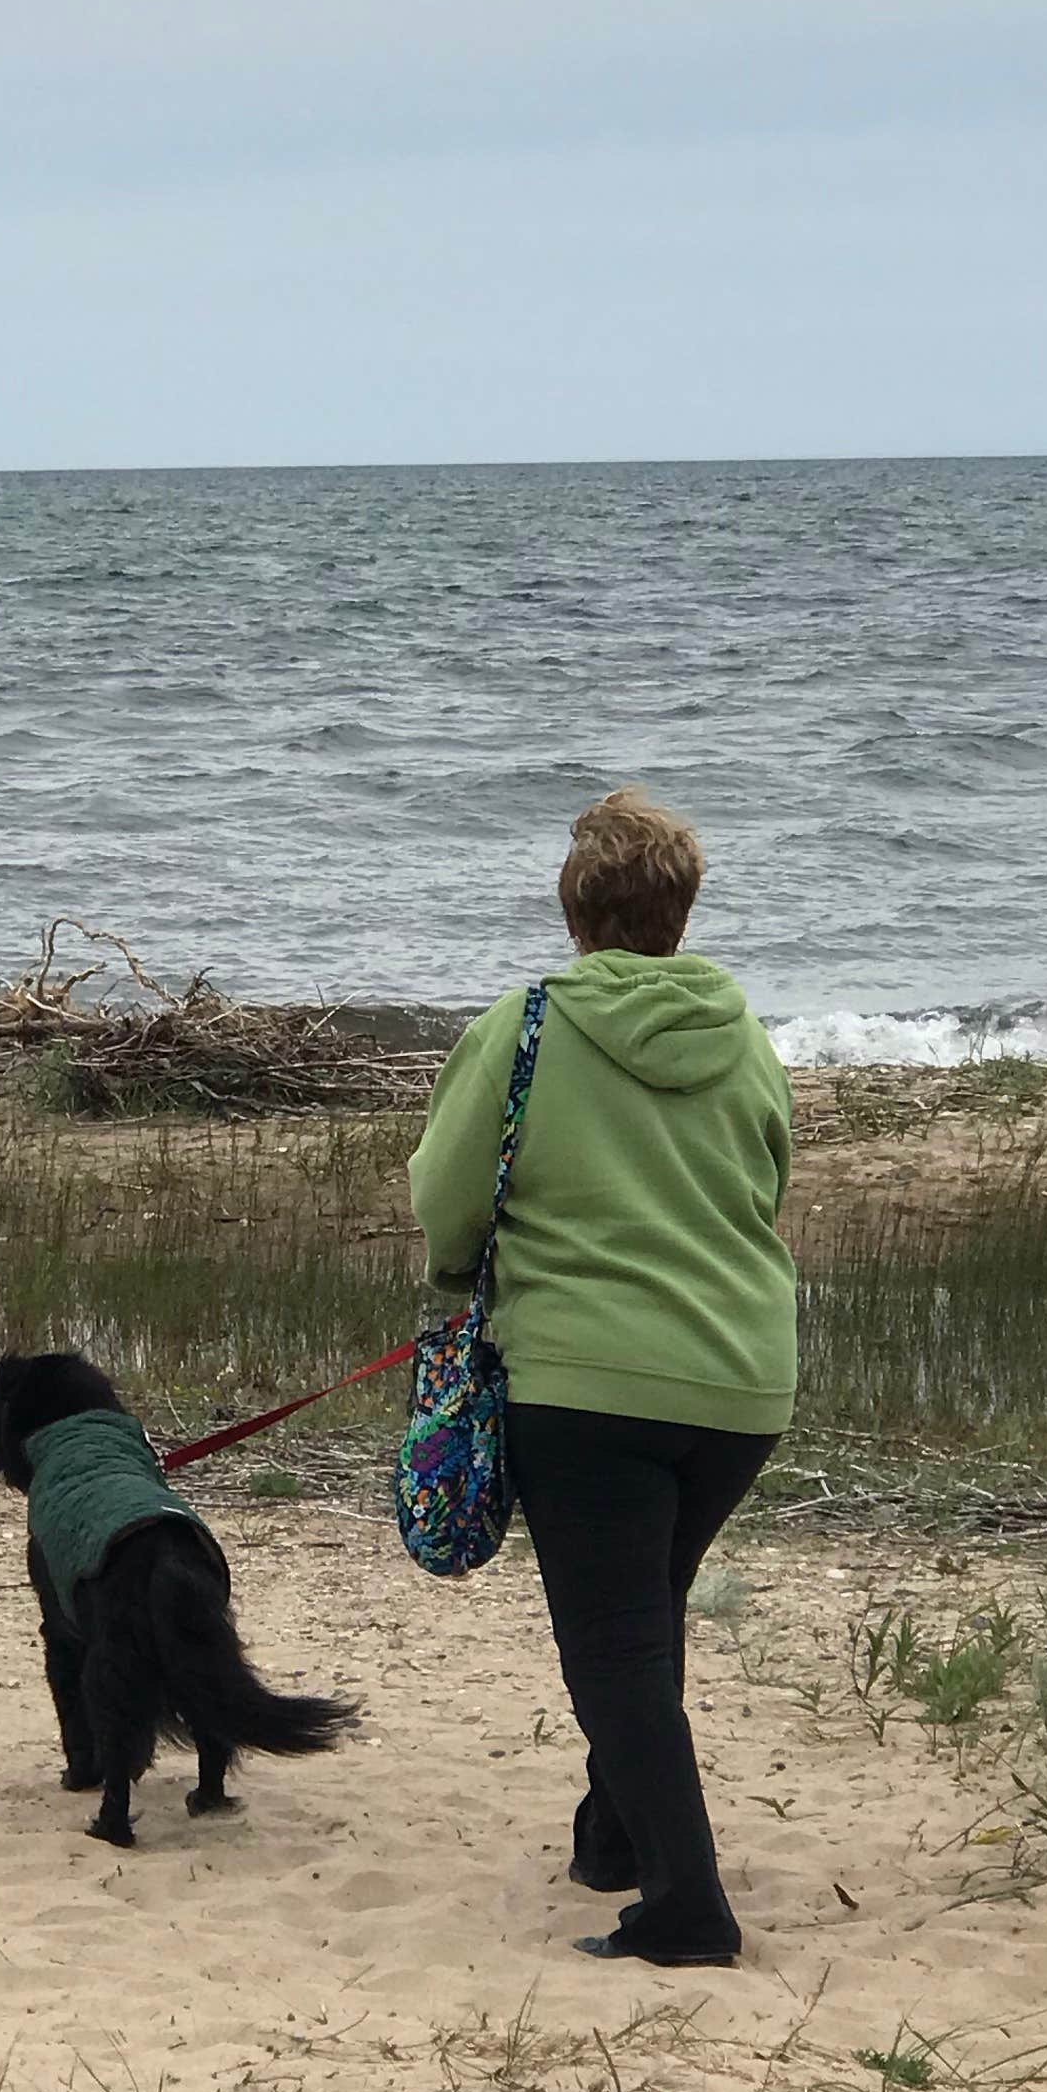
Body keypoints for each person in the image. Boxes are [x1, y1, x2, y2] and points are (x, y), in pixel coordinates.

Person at [408, 789, 793, 1966]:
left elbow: (444, 1194)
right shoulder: (742, 1031)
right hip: (741, 1383)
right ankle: (611, 1839)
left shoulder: (528, 1024)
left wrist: (462, 1273)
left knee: (615, 1645)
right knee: (643, 1615)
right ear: (681, 909)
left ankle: (688, 1908)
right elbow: (768, 1179)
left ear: (575, 911)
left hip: (586, 1385)